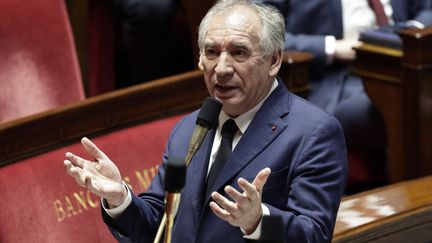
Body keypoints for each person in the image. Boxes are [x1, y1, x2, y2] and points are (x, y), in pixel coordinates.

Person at [64, 0, 348, 242]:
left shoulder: (314, 132)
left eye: (239, 52)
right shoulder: (189, 128)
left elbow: (314, 235)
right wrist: (121, 199)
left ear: (274, 60)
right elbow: (158, 226)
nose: (222, 69)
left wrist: (257, 221)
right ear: (200, 60)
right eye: (212, 52)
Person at [259, 0, 432, 193]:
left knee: (415, 98)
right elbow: (258, 32)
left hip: (407, 64)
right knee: (403, 106)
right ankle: (416, 205)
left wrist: (410, 33)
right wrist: (331, 48)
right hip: (339, 78)